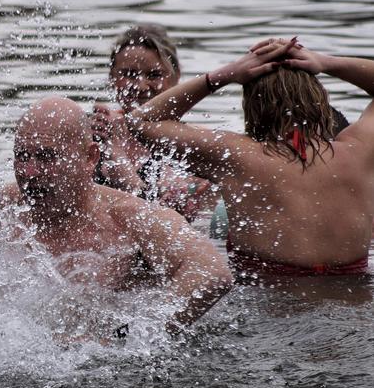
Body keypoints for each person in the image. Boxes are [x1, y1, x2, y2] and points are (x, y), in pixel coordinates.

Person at [0, 97, 233, 337]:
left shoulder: (129, 218)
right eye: (22, 156)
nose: (29, 172)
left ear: (89, 158)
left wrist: (127, 336)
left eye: (46, 157)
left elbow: (211, 273)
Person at [130, 38, 374, 276]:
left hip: (269, 309)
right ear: (319, 100)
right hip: (353, 306)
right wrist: (326, 63)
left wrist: (224, 75)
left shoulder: (235, 155)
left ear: (251, 105)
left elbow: (141, 121)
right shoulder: (360, 151)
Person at [91, 24, 212, 220]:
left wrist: (121, 164)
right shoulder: (93, 136)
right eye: (128, 74)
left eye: (154, 75)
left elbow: (171, 224)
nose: (140, 86)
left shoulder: (197, 145)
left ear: (176, 77)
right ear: (111, 78)